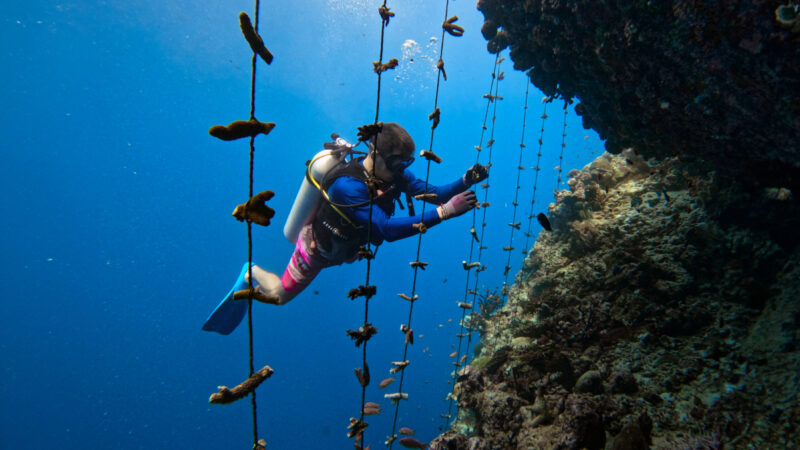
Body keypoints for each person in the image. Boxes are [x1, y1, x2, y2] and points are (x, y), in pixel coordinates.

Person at [203, 122, 488, 334]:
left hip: (343, 249)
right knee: (278, 297)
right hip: (316, 251)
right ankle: (250, 271)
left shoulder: (394, 173)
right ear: (374, 154)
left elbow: (434, 192)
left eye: (406, 163)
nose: (401, 169)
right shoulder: (347, 187)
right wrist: (446, 212)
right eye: (395, 162)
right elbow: (385, 229)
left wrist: (466, 179)